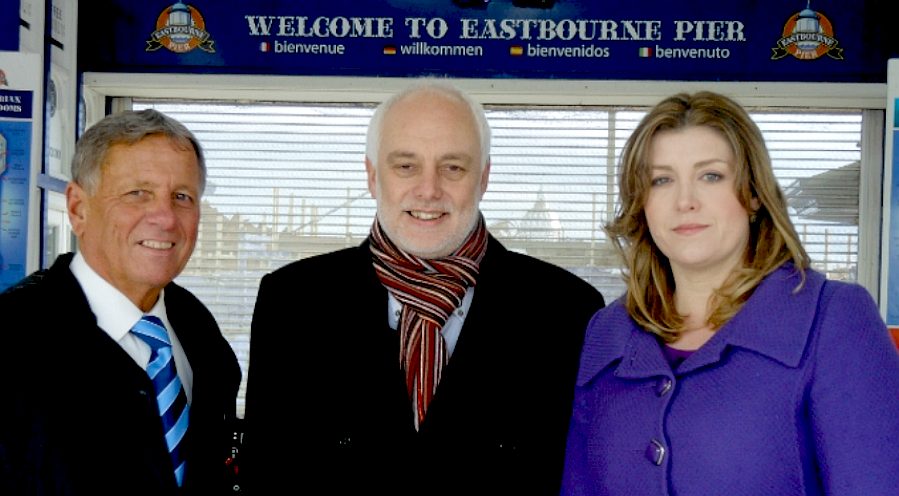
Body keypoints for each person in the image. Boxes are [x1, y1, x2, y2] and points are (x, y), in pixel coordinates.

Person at [241, 78, 605, 495]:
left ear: (483, 177)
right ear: (373, 176)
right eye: (406, 165)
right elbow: (265, 481)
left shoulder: (567, 311)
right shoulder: (293, 303)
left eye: (453, 167)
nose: (429, 190)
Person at [561, 91, 899, 495]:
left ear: (754, 194)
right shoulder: (607, 332)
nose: (685, 201)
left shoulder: (834, 319)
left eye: (711, 176)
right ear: (641, 202)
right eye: (661, 180)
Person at [0, 109, 242, 495]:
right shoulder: (11, 340)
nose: (164, 217)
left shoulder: (196, 326)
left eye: (182, 196)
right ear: (78, 209)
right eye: (137, 194)